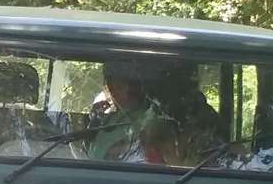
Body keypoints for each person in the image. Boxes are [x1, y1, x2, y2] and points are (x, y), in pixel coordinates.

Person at [89, 57, 227, 165]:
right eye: (117, 84)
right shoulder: (106, 120)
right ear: (108, 86)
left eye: (132, 83)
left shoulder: (165, 117)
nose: (127, 89)